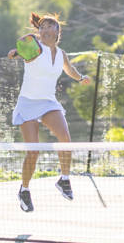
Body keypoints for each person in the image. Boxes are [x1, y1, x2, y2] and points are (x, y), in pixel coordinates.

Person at [7, 13, 91, 212]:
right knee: (33, 151)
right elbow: (19, 53)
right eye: (41, 27)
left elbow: (68, 69)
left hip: (48, 102)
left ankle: (64, 179)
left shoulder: (61, 54)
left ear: (57, 32)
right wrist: (14, 53)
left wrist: (80, 78)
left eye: (49, 27)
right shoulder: (34, 49)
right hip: (28, 103)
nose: (44, 30)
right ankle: (24, 190)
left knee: (65, 138)